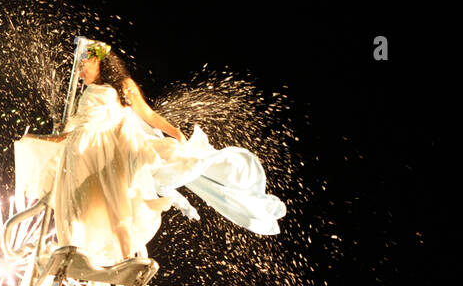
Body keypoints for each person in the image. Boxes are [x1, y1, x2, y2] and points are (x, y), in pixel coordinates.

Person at [21, 40, 284, 271]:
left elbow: (147, 115)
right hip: (78, 156)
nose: (80, 72)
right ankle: (72, 251)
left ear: (98, 61)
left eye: (83, 65)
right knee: (76, 203)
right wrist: (40, 139)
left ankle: (126, 257)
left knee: (117, 204)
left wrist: (175, 132)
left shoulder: (123, 86)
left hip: (107, 154)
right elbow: (73, 131)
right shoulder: (87, 94)